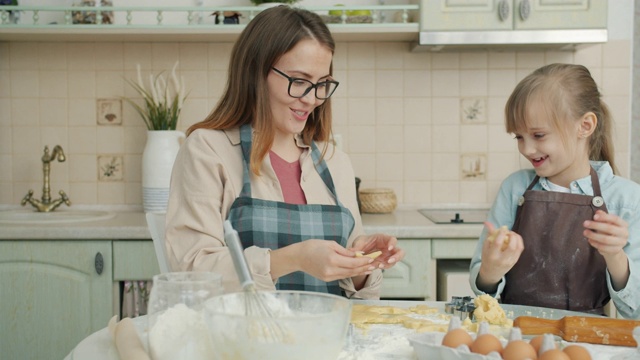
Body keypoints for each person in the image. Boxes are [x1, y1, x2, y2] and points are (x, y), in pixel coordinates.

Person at [165, 5, 404, 299]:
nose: (312, 99)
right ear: (256, 72)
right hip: (240, 340)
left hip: (325, 340)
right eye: (300, 81)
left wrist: (363, 263)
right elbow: (190, 271)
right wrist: (295, 258)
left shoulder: (334, 161)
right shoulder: (208, 150)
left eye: (322, 84)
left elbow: (361, 300)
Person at [469, 63, 640, 318]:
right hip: (514, 333)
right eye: (519, 137)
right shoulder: (514, 189)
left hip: (586, 341)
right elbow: (483, 290)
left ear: (585, 126)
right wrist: (490, 273)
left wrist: (614, 254)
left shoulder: (624, 200)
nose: (526, 149)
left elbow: (634, 309)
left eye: (538, 135)